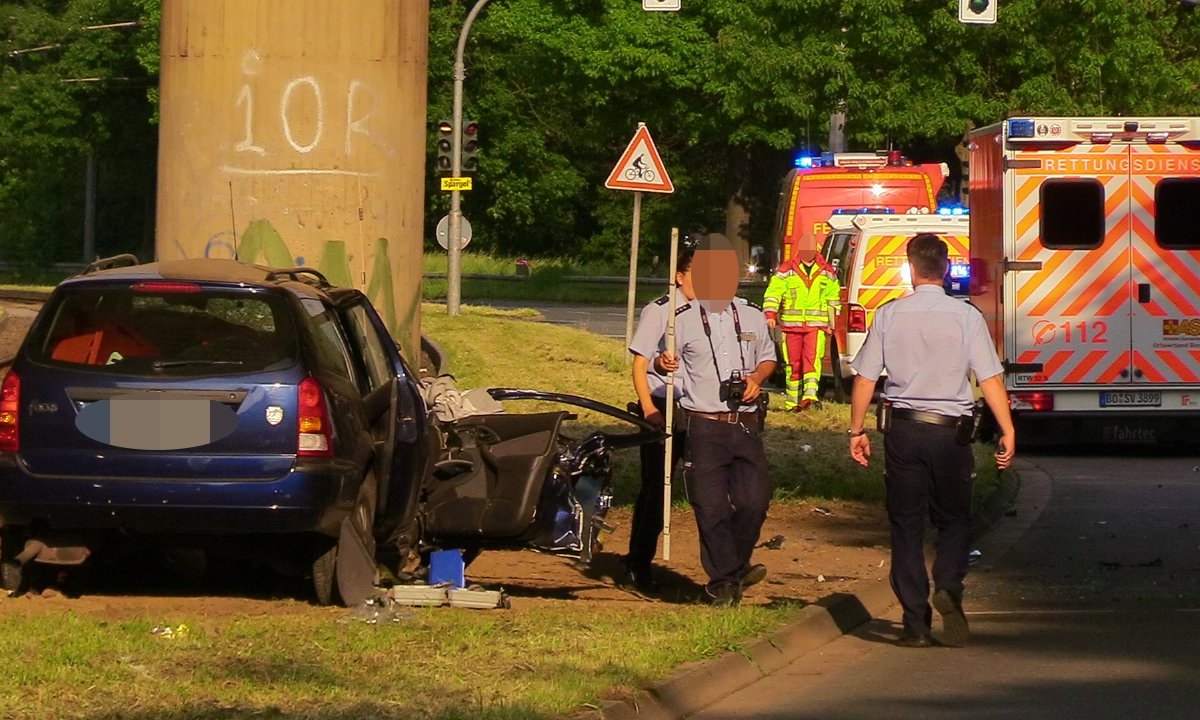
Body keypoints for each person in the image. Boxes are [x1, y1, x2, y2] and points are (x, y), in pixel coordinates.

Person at [847, 232, 1015, 648]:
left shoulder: (889, 315)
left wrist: (855, 430)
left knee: (905, 526)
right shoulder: (966, 317)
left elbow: (865, 377)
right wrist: (1008, 429)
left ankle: (915, 625)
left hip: (904, 431)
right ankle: (948, 582)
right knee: (955, 519)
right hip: (950, 434)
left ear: (910, 267)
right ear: (945, 268)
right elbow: (990, 377)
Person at [654, 235, 778, 606]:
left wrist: (757, 379)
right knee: (711, 507)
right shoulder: (682, 320)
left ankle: (734, 565)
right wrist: (664, 363)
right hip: (704, 423)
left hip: (745, 422)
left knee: (755, 501)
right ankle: (723, 580)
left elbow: (768, 358)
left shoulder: (753, 315)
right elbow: (662, 361)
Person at [621, 266, 693, 594]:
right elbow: (639, 363)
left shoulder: (712, 310)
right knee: (656, 488)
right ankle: (638, 563)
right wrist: (648, 408)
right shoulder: (660, 311)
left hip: (699, 408)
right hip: (661, 407)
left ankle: (726, 566)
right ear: (679, 275)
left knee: (712, 486)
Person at [763, 233, 840, 411]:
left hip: (816, 327)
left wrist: (831, 324)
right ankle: (792, 402)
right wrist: (770, 314)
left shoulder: (827, 271)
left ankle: (810, 397)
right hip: (791, 328)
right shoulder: (786, 270)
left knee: (812, 362)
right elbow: (773, 293)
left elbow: (833, 300)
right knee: (793, 364)